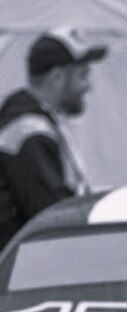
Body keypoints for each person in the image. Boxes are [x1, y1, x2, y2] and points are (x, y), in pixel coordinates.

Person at [0, 26, 107, 250]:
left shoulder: (29, 119)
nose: (88, 86)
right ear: (57, 77)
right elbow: (53, 219)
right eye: (82, 75)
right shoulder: (30, 133)